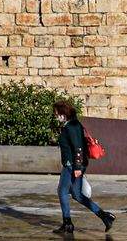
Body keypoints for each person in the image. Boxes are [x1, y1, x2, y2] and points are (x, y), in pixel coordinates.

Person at [54, 100, 114, 234]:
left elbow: (78, 148)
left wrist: (77, 167)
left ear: (64, 114)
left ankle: (67, 223)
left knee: (62, 192)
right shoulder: (72, 125)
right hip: (75, 165)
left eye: (57, 113)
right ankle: (105, 216)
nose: (56, 116)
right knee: (77, 195)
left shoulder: (71, 127)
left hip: (71, 166)